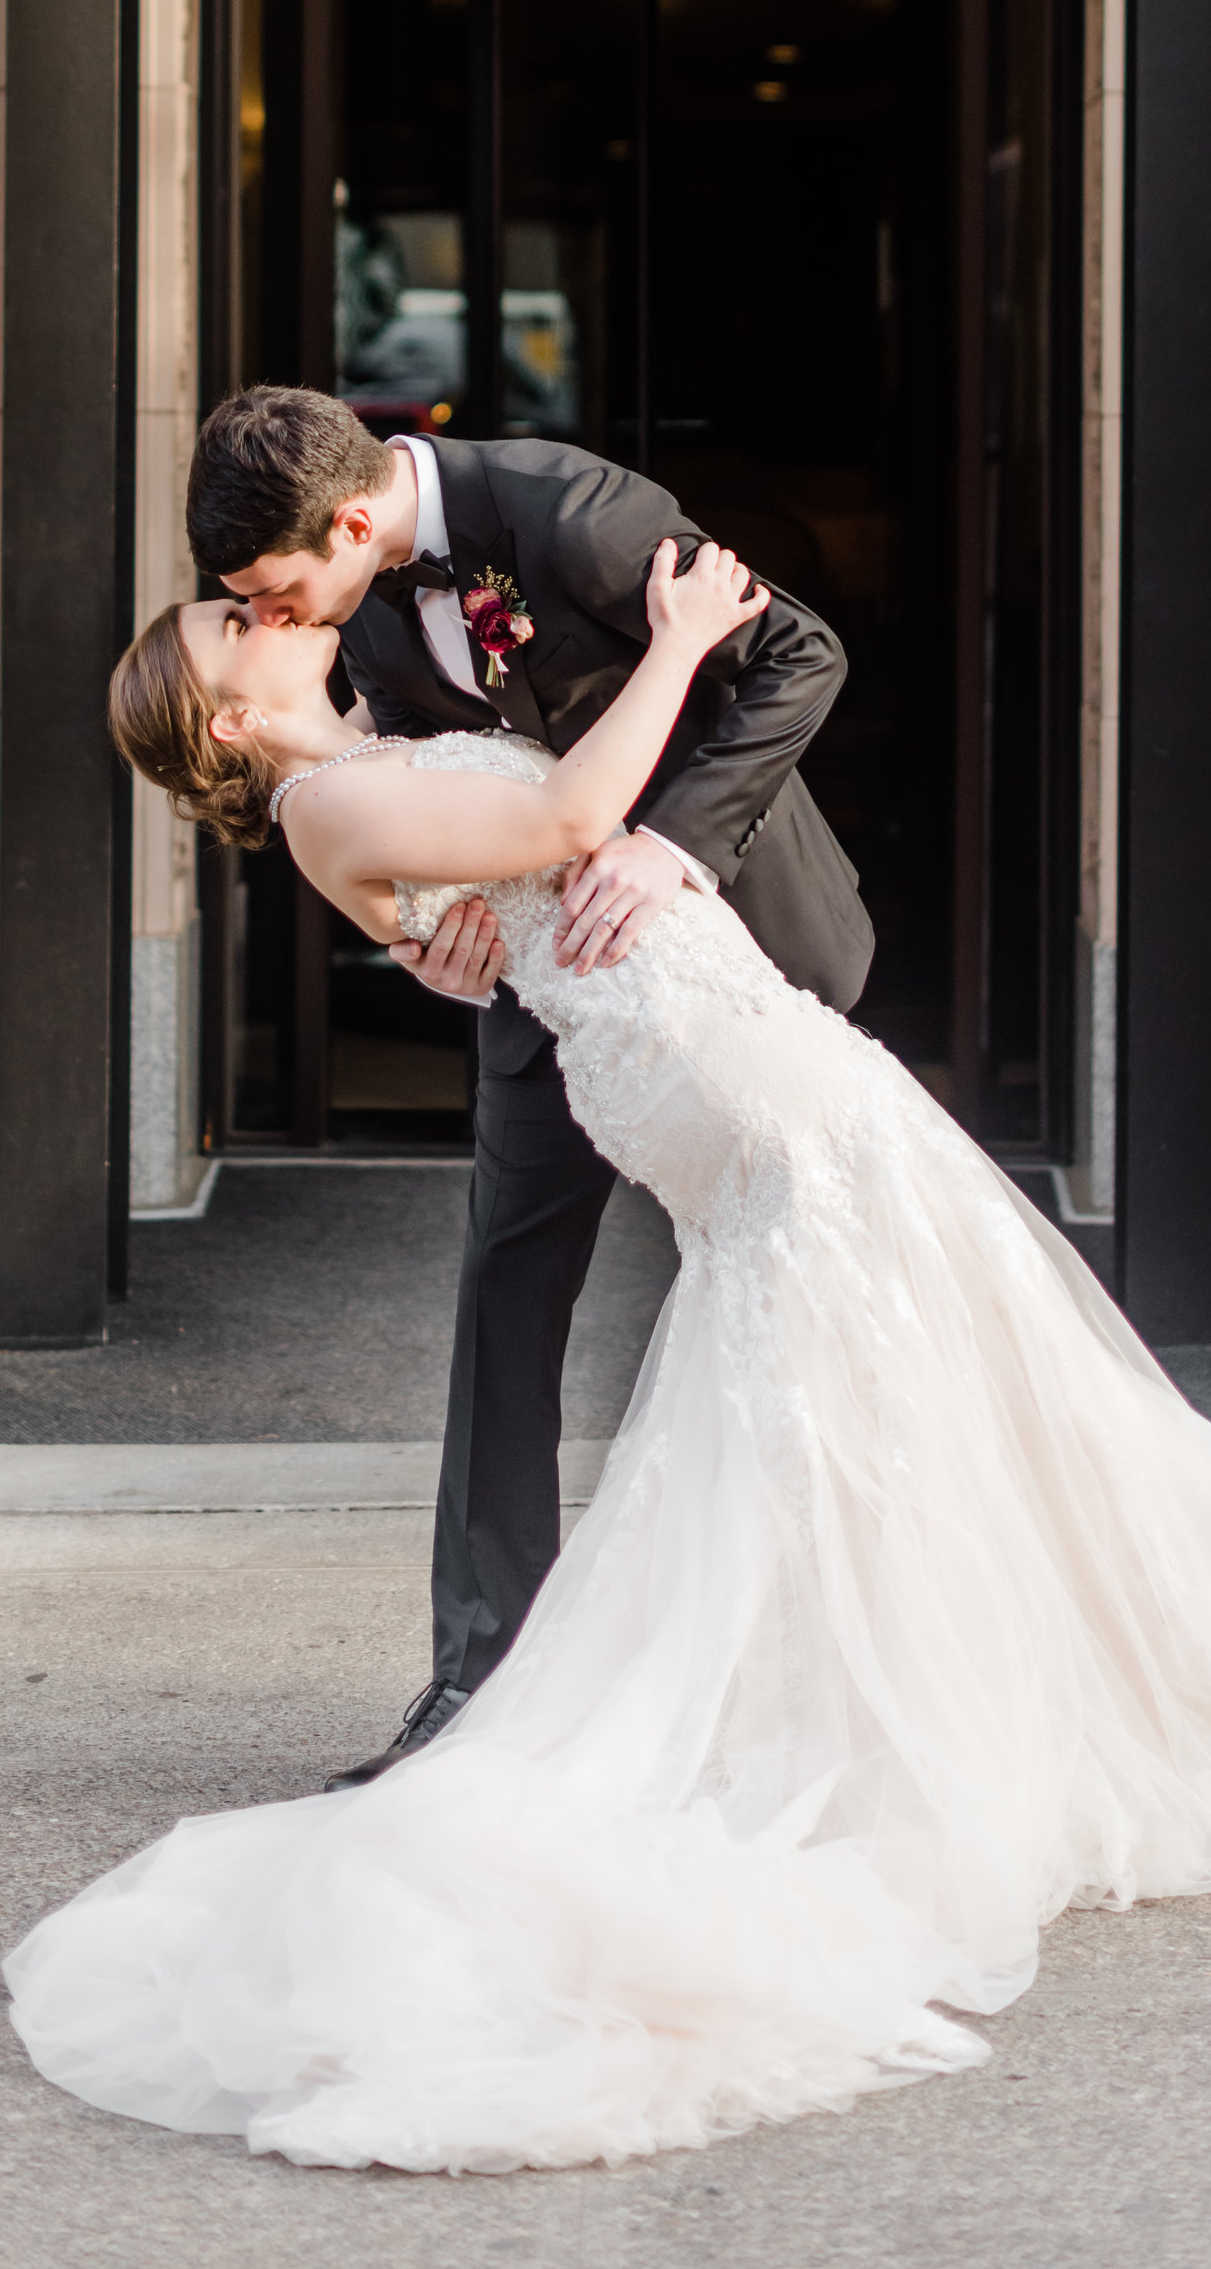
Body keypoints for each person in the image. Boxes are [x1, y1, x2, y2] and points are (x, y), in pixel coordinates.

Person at [4, 538, 1211, 2176]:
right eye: (233, 627)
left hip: (709, 1029)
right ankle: (1177, 1614)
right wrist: (680, 639)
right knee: (922, 1346)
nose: (267, 613)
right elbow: (575, 820)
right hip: (710, 1058)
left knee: (922, 1361)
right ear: (222, 728)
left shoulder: (369, 758)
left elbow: (483, 893)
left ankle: (1136, 1615)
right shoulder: (321, 808)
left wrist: (461, 911)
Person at [182, 383, 873, 1783]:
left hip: (722, 951)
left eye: (275, 586)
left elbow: (803, 651)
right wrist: (436, 918)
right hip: (557, 1000)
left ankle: (810, 1665)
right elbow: (422, 779)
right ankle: (477, 1681)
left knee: (798, 1298)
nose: (278, 617)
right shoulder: (350, 596)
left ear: (356, 518)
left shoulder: (569, 510)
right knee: (506, 1292)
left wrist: (672, 845)